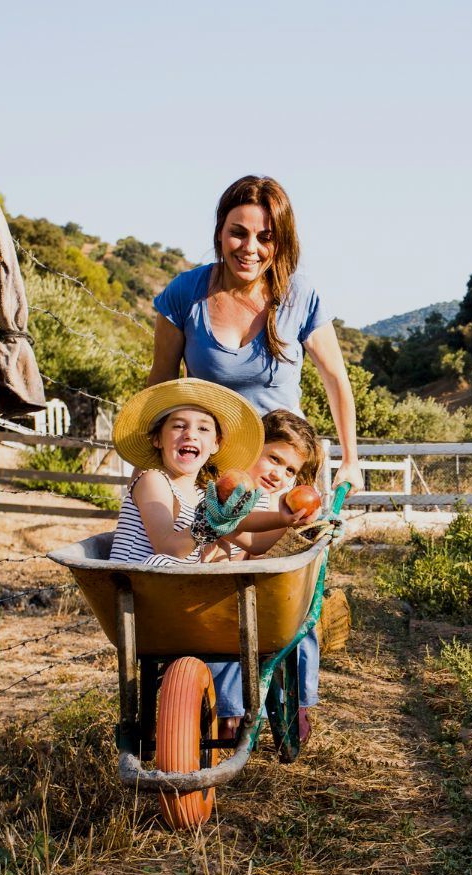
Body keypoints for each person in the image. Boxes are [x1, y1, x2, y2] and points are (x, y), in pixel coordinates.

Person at [148, 174, 364, 494]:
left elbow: (336, 380)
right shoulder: (184, 293)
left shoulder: (299, 295)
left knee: (278, 543)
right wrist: (150, 470)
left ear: (281, 242)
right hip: (212, 473)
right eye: (238, 233)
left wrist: (350, 460)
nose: (250, 248)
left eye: (265, 237)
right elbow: (161, 387)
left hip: (281, 473)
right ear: (220, 232)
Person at [208, 410, 324, 741]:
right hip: (219, 588)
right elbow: (236, 537)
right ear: (251, 448)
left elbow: (260, 546)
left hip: (249, 590)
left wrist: (295, 522)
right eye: (274, 458)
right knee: (233, 628)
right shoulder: (232, 489)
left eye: (290, 470)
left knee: (295, 620)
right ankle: (229, 709)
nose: (279, 474)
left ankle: (297, 701)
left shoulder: (275, 503)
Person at [109, 378, 309, 566]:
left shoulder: (204, 496)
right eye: (179, 426)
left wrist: (287, 521)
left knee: (219, 547)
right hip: (134, 583)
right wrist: (209, 526)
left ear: (215, 444)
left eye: (203, 429)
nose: (190, 435)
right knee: (172, 559)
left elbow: (254, 541)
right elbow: (167, 549)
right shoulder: (153, 480)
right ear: (157, 440)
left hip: (170, 590)